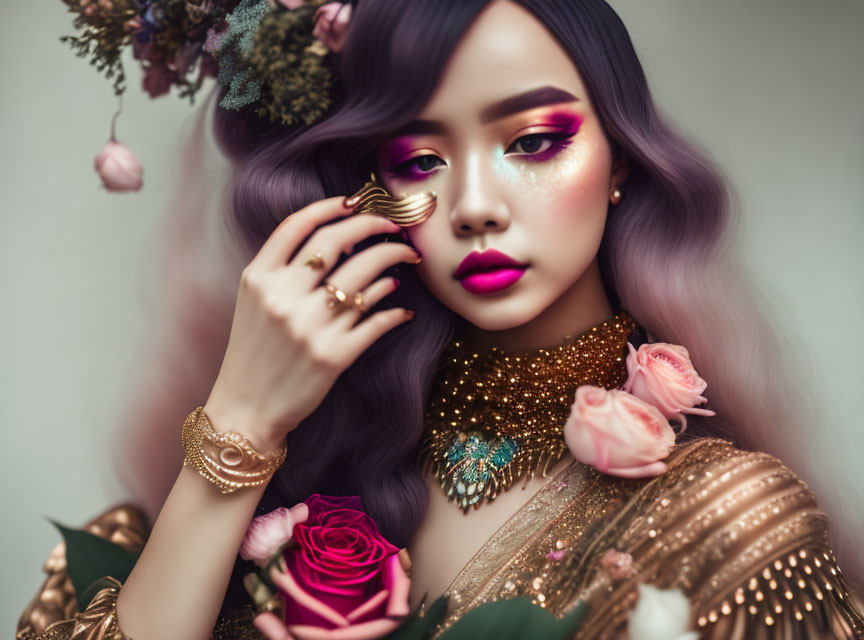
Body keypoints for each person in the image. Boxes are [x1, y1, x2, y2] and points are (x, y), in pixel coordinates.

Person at [16, 0, 864, 638]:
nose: (476, 207)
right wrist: (243, 416)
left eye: (532, 141)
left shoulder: (727, 521)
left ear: (621, 159)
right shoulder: (302, 473)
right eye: (419, 159)